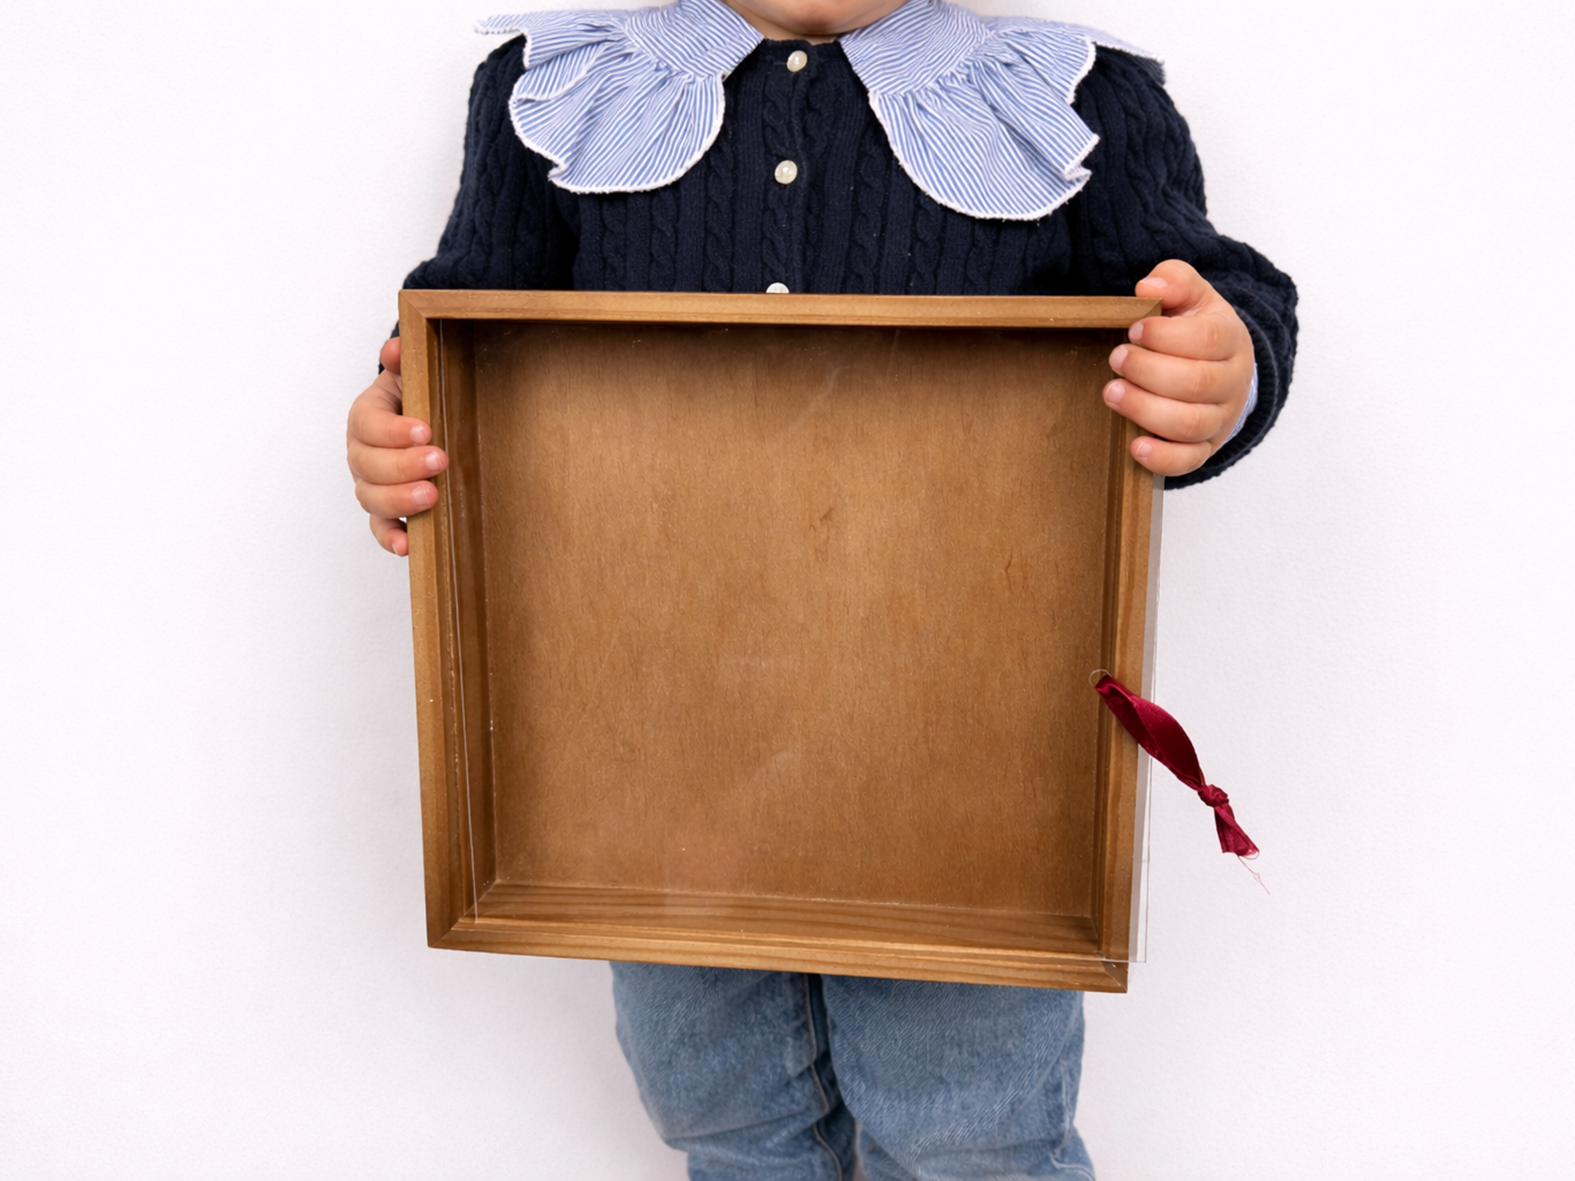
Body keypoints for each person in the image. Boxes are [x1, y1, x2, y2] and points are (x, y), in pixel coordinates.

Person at [347, 1, 1297, 1176]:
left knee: (970, 1134)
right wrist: (396, 428)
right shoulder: (556, 87)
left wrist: (1224, 362)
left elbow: (1222, 294)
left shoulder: (1072, 93)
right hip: (651, 761)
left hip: (961, 767)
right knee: (720, 1110)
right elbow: (458, 338)